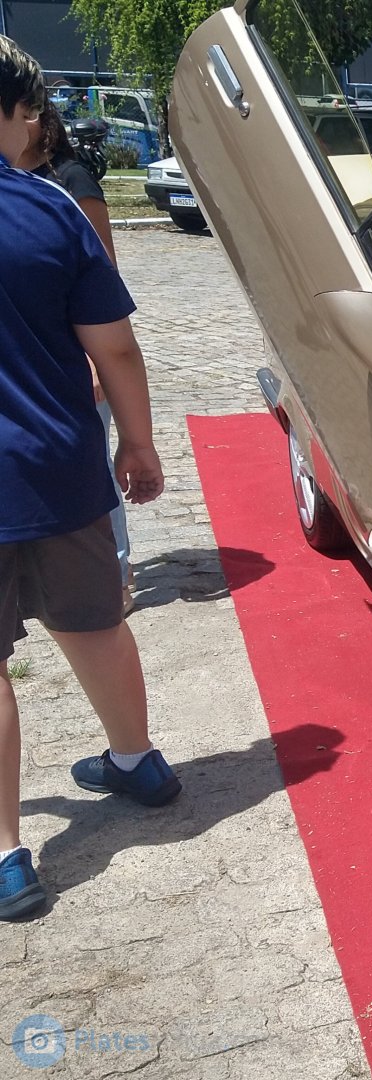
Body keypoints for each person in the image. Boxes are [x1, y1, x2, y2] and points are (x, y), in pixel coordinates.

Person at [0, 36, 178, 922]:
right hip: (58, 463)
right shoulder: (51, 210)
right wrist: (138, 448)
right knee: (95, 619)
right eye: (27, 108)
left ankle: (7, 855)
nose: (36, 122)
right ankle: (135, 757)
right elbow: (114, 346)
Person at [16, 100, 133, 614]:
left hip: (84, 347)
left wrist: (94, 361)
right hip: (40, 359)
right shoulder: (19, 184)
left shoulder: (70, 182)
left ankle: (119, 572)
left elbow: (103, 271)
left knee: (98, 469)